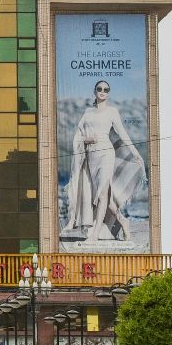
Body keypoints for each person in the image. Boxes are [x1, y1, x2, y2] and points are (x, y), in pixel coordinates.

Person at [62, 78, 148, 245]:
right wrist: (85, 140)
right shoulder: (87, 112)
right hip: (90, 156)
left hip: (106, 153)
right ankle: (123, 221)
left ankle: (93, 235)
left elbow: (122, 133)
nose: (103, 91)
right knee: (103, 198)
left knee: (102, 194)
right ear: (95, 91)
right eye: (100, 88)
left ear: (108, 93)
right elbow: (78, 135)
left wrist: (136, 153)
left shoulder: (112, 111)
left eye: (106, 89)